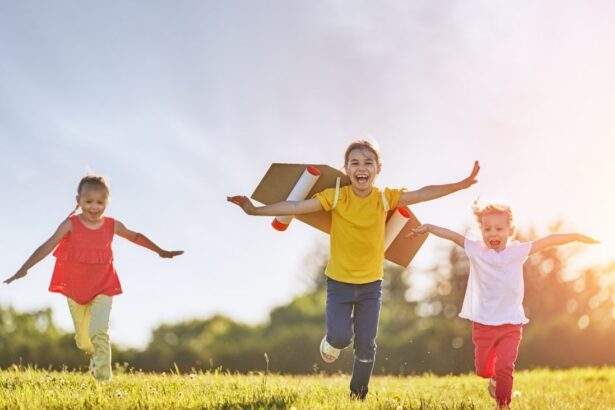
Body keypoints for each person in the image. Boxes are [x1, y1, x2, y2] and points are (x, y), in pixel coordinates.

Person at [228, 140, 479, 400]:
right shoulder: (336, 196)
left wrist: (459, 185)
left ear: (378, 169)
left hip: (372, 287)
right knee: (340, 337)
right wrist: (255, 211)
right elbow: (294, 207)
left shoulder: (384, 198)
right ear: (346, 169)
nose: (361, 168)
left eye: (368, 162)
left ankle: (357, 397)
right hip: (339, 284)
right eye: (355, 163)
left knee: (367, 346)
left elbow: (422, 193)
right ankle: (332, 341)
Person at [408, 201, 598, 408]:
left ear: (510, 230)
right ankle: (493, 378)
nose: (493, 234)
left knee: (505, 366)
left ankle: (503, 404)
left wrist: (576, 237)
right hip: (483, 324)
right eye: (487, 229)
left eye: (499, 229)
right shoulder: (475, 250)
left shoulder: (518, 252)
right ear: (481, 230)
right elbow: (452, 235)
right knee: (483, 370)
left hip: (510, 323)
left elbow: (549, 241)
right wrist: (428, 227)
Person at [4, 175, 183, 381]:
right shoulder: (70, 224)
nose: (94, 207)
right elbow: (47, 245)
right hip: (75, 289)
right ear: (78, 201)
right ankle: (95, 356)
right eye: (88, 201)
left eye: (100, 202)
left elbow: (135, 236)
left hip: (103, 286)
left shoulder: (112, 225)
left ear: (107, 202)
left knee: (99, 331)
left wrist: (160, 251)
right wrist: (24, 268)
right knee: (83, 341)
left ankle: (104, 381)